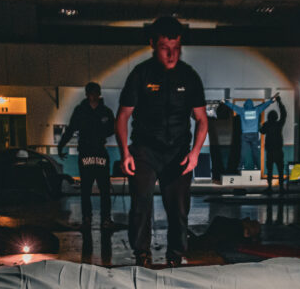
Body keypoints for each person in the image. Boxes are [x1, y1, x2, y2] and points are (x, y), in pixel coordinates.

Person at [116, 16, 209, 268]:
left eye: (176, 48)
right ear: (152, 45)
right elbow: (122, 116)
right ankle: (142, 254)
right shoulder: (140, 74)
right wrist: (125, 153)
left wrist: (195, 153)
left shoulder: (189, 76)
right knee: (141, 203)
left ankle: (175, 255)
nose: (171, 55)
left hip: (178, 152)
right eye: (165, 48)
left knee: (179, 208)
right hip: (144, 150)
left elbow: (202, 119)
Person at [58, 81, 116, 228]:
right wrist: (61, 145)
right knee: (86, 189)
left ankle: (105, 218)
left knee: (104, 189)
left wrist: (100, 133)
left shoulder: (105, 111)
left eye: (95, 93)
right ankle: (87, 218)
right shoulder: (81, 111)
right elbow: (71, 129)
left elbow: (113, 128)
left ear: (99, 94)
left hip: (99, 151)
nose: (93, 96)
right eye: (91, 93)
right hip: (86, 151)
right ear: (87, 94)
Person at [222, 97, 274, 170]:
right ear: (252, 105)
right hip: (254, 134)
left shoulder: (242, 111)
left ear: (245, 105)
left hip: (245, 134)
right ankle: (257, 166)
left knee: (243, 151)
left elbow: (233, 107)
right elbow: (264, 105)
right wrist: (271, 101)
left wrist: (226, 102)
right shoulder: (256, 110)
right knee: (255, 151)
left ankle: (241, 166)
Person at [258, 94, 286, 195]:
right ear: (276, 117)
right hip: (278, 151)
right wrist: (279, 102)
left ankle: (270, 187)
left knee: (269, 171)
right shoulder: (279, 124)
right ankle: (281, 188)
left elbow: (261, 131)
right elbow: (284, 114)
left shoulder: (267, 124)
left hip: (270, 151)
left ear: (269, 117)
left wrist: (259, 122)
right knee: (280, 170)